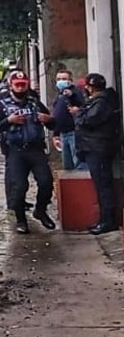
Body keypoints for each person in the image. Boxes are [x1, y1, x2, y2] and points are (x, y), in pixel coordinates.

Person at [0, 70, 56, 233]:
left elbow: (52, 123)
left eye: (23, 85)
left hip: (36, 149)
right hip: (15, 151)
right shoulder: (3, 104)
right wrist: (8, 121)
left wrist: (49, 120)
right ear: (11, 86)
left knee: (46, 182)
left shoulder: (34, 102)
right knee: (19, 187)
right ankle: (21, 220)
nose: (20, 88)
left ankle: (40, 211)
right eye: (17, 85)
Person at [73, 72, 120, 234]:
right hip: (94, 147)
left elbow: (87, 121)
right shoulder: (97, 102)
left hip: (98, 148)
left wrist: (79, 114)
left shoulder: (102, 103)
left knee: (103, 186)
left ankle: (108, 221)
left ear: (90, 88)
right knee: (101, 186)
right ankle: (103, 219)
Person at [51, 68, 86, 170]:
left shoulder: (76, 92)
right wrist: (56, 134)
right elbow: (57, 115)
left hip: (74, 133)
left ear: (70, 80)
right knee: (68, 166)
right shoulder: (59, 95)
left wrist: (72, 95)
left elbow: (83, 103)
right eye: (58, 79)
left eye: (64, 79)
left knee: (78, 164)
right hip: (63, 134)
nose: (61, 81)